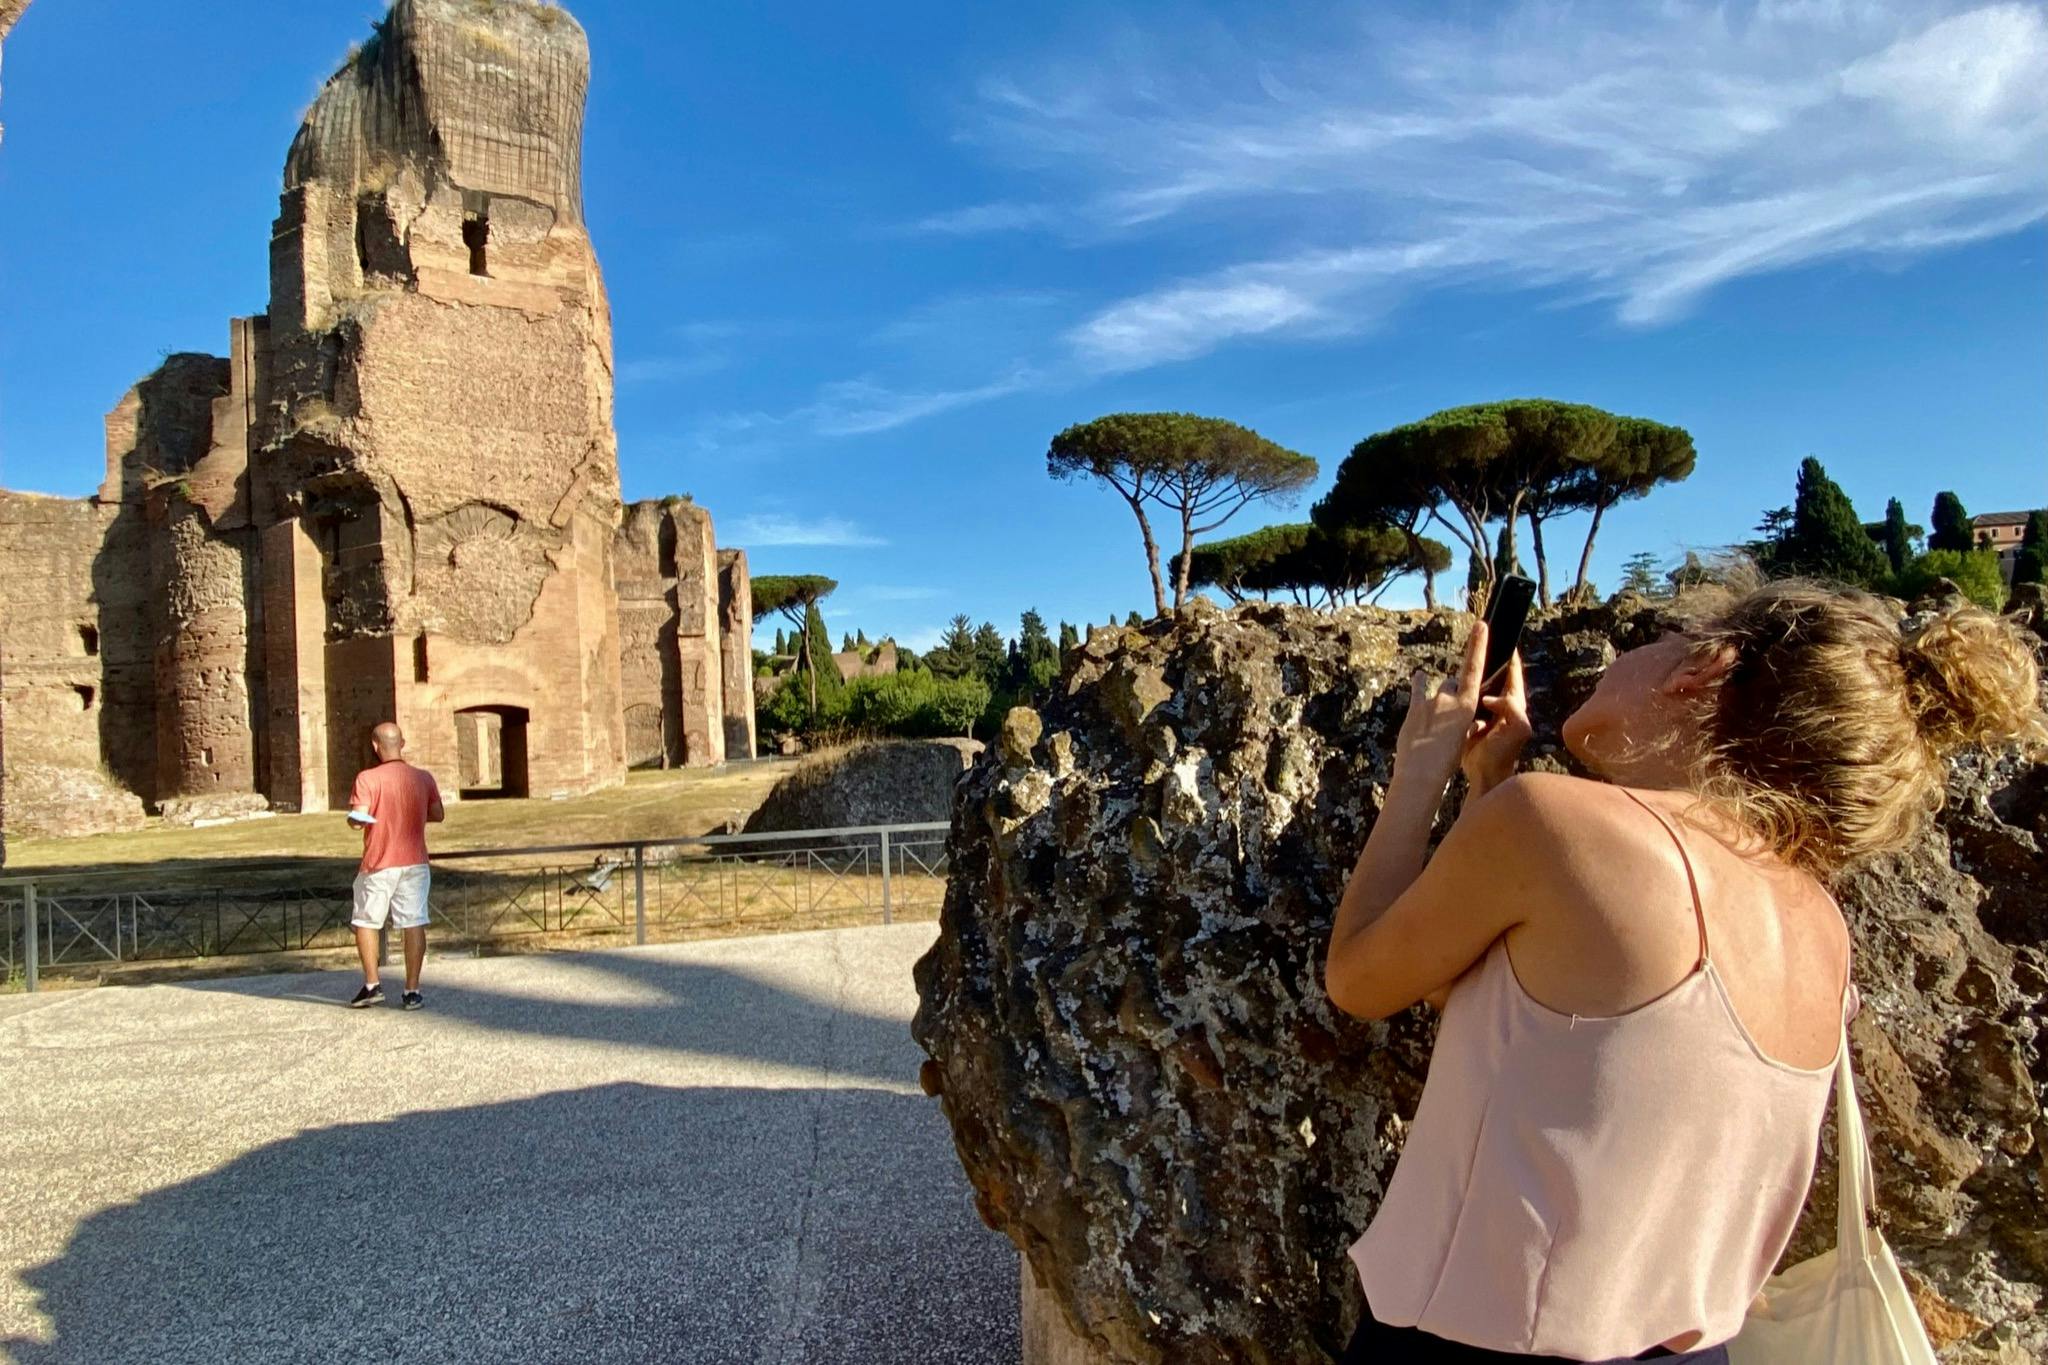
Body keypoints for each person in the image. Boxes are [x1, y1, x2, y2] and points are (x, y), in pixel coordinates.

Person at [1322, 576, 2042, 1363]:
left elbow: (1360, 978)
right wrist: (1487, 785)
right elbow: (1495, 1006)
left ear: (1703, 668)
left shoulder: (1556, 823)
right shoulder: (1820, 924)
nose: (1623, 659)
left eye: (1656, 641)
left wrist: (1419, 773)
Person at [345, 721, 444, 1010]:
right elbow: (437, 814)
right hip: (415, 862)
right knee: (413, 922)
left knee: (366, 921)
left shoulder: (367, 779)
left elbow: (359, 818)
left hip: (379, 862)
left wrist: (355, 820)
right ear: (402, 743)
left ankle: (372, 985)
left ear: (375, 746)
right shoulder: (423, 778)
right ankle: (412, 990)